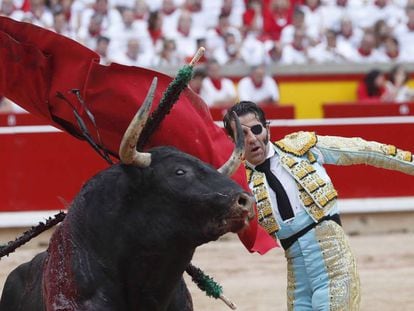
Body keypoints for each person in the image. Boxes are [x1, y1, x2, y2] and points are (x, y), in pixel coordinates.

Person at [223, 101, 414, 310]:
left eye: (256, 130)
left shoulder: (302, 148)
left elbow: (365, 150)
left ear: (267, 129)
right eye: (242, 135)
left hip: (335, 262)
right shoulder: (238, 185)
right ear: (233, 141)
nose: (251, 139)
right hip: (297, 274)